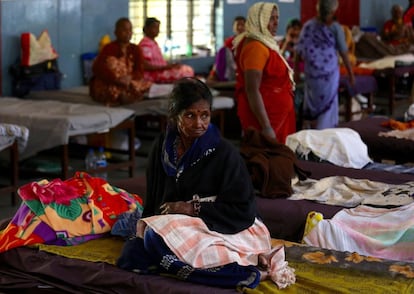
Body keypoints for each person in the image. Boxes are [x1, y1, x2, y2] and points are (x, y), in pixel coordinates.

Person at [116, 77, 295, 289]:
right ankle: (186, 263)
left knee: (156, 241)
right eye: (190, 115)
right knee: (134, 254)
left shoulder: (224, 153)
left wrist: (192, 208)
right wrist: (146, 228)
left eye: (204, 115)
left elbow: (243, 210)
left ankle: (248, 274)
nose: (199, 123)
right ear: (174, 115)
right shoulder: (162, 149)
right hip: (177, 225)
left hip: (225, 227)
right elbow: (155, 197)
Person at [233, 2, 296, 144]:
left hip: (275, 115)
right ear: (258, 19)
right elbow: (252, 90)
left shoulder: (264, 43)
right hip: (265, 119)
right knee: (267, 160)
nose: (276, 23)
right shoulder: (255, 47)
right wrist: (266, 127)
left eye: (277, 18)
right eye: (270, 18)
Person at [295, 0, 355, 129]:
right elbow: (344, 52)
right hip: (329, 75)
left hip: (311, 74)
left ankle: (309, 137)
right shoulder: (335, 28)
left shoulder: (308, 26)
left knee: (311, 103)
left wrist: (296, 72)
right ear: (334, 10)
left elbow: (298, 52)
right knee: (328, 107)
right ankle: (325, 135)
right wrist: (351, 73)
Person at [89, 17, 152, 106]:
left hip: (128, 81)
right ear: (116, 32)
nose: (128, 33)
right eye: (124, 30)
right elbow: (97, 68)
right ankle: (123, 96)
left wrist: (129, 77)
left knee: (144, 85)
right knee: (109, 84)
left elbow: (139, 71)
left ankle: (127, 95)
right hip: (111, 81)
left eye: (130, 30)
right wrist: (116, 79)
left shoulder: (136, 49)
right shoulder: (108, 48)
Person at [138, 17, 194, 83]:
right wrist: (166, 67)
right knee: (186, 72)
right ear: (146, 29)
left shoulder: (152, 42)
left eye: (158, 28)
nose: (157, 30)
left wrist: (171, 65)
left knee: (187, 69)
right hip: (153, 74)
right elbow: (145, 66)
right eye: (154, 28)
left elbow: (158, 62)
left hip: (161, 70)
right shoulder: (145, 44)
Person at [207, 16, 246, 82]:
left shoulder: (249, 41)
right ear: (233, 28)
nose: (240, 27)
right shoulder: (229, 42)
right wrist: (212, 74)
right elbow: (219, 60)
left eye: (242, 25)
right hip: (231, 71)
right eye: (237, 25)